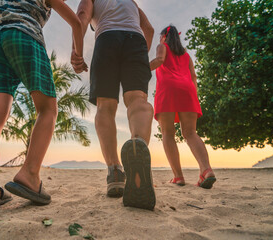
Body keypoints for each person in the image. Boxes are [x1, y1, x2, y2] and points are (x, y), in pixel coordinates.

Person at [0, 0, 85, 213]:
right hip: (24, 35)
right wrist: (78, 55)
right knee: (47, 109)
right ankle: (30, 173)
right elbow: (76, 22)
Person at [72, 0, 156, 210]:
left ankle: (115, 171)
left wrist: (77, 50)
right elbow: (149, 29)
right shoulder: (130, 2)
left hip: (107, 39)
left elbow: (82, 15)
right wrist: (139, 54)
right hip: (135, 40)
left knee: (105, 106)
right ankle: (138, 146)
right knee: (138, 100)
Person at [149, 25, 216, 189]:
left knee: (167, 132)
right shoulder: (185, 55)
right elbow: (193, 76)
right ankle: (206, 170)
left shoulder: (162, 46)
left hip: (168, 89)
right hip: (188, 91)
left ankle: (178, 176)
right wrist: (194, 96)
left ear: (164, 37)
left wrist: (138, 68)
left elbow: (159, 60)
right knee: (190, 133)